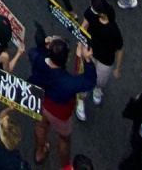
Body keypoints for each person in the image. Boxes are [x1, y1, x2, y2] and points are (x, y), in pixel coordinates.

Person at [28, 28, 95, 168]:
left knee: (41, 126)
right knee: (64, 139)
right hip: (60, 113)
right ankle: (65, 165)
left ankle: (39, 152)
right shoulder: (68, 83)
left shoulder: (38, 60)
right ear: (67, 58)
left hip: (41, 101)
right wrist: (87, 59)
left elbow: (34, 52)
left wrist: (44, 45)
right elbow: (90, 81)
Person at [74, 0, 123, 123]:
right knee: (84, 78)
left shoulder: (113, 30)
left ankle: (97, 88)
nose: (90, 9)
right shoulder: (91, 13)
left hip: (105, 59)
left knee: (101, 81)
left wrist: (117, 68)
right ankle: (80, 100)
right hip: (89, 52)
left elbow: (119, 49)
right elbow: (83, 27)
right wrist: (80, 45)